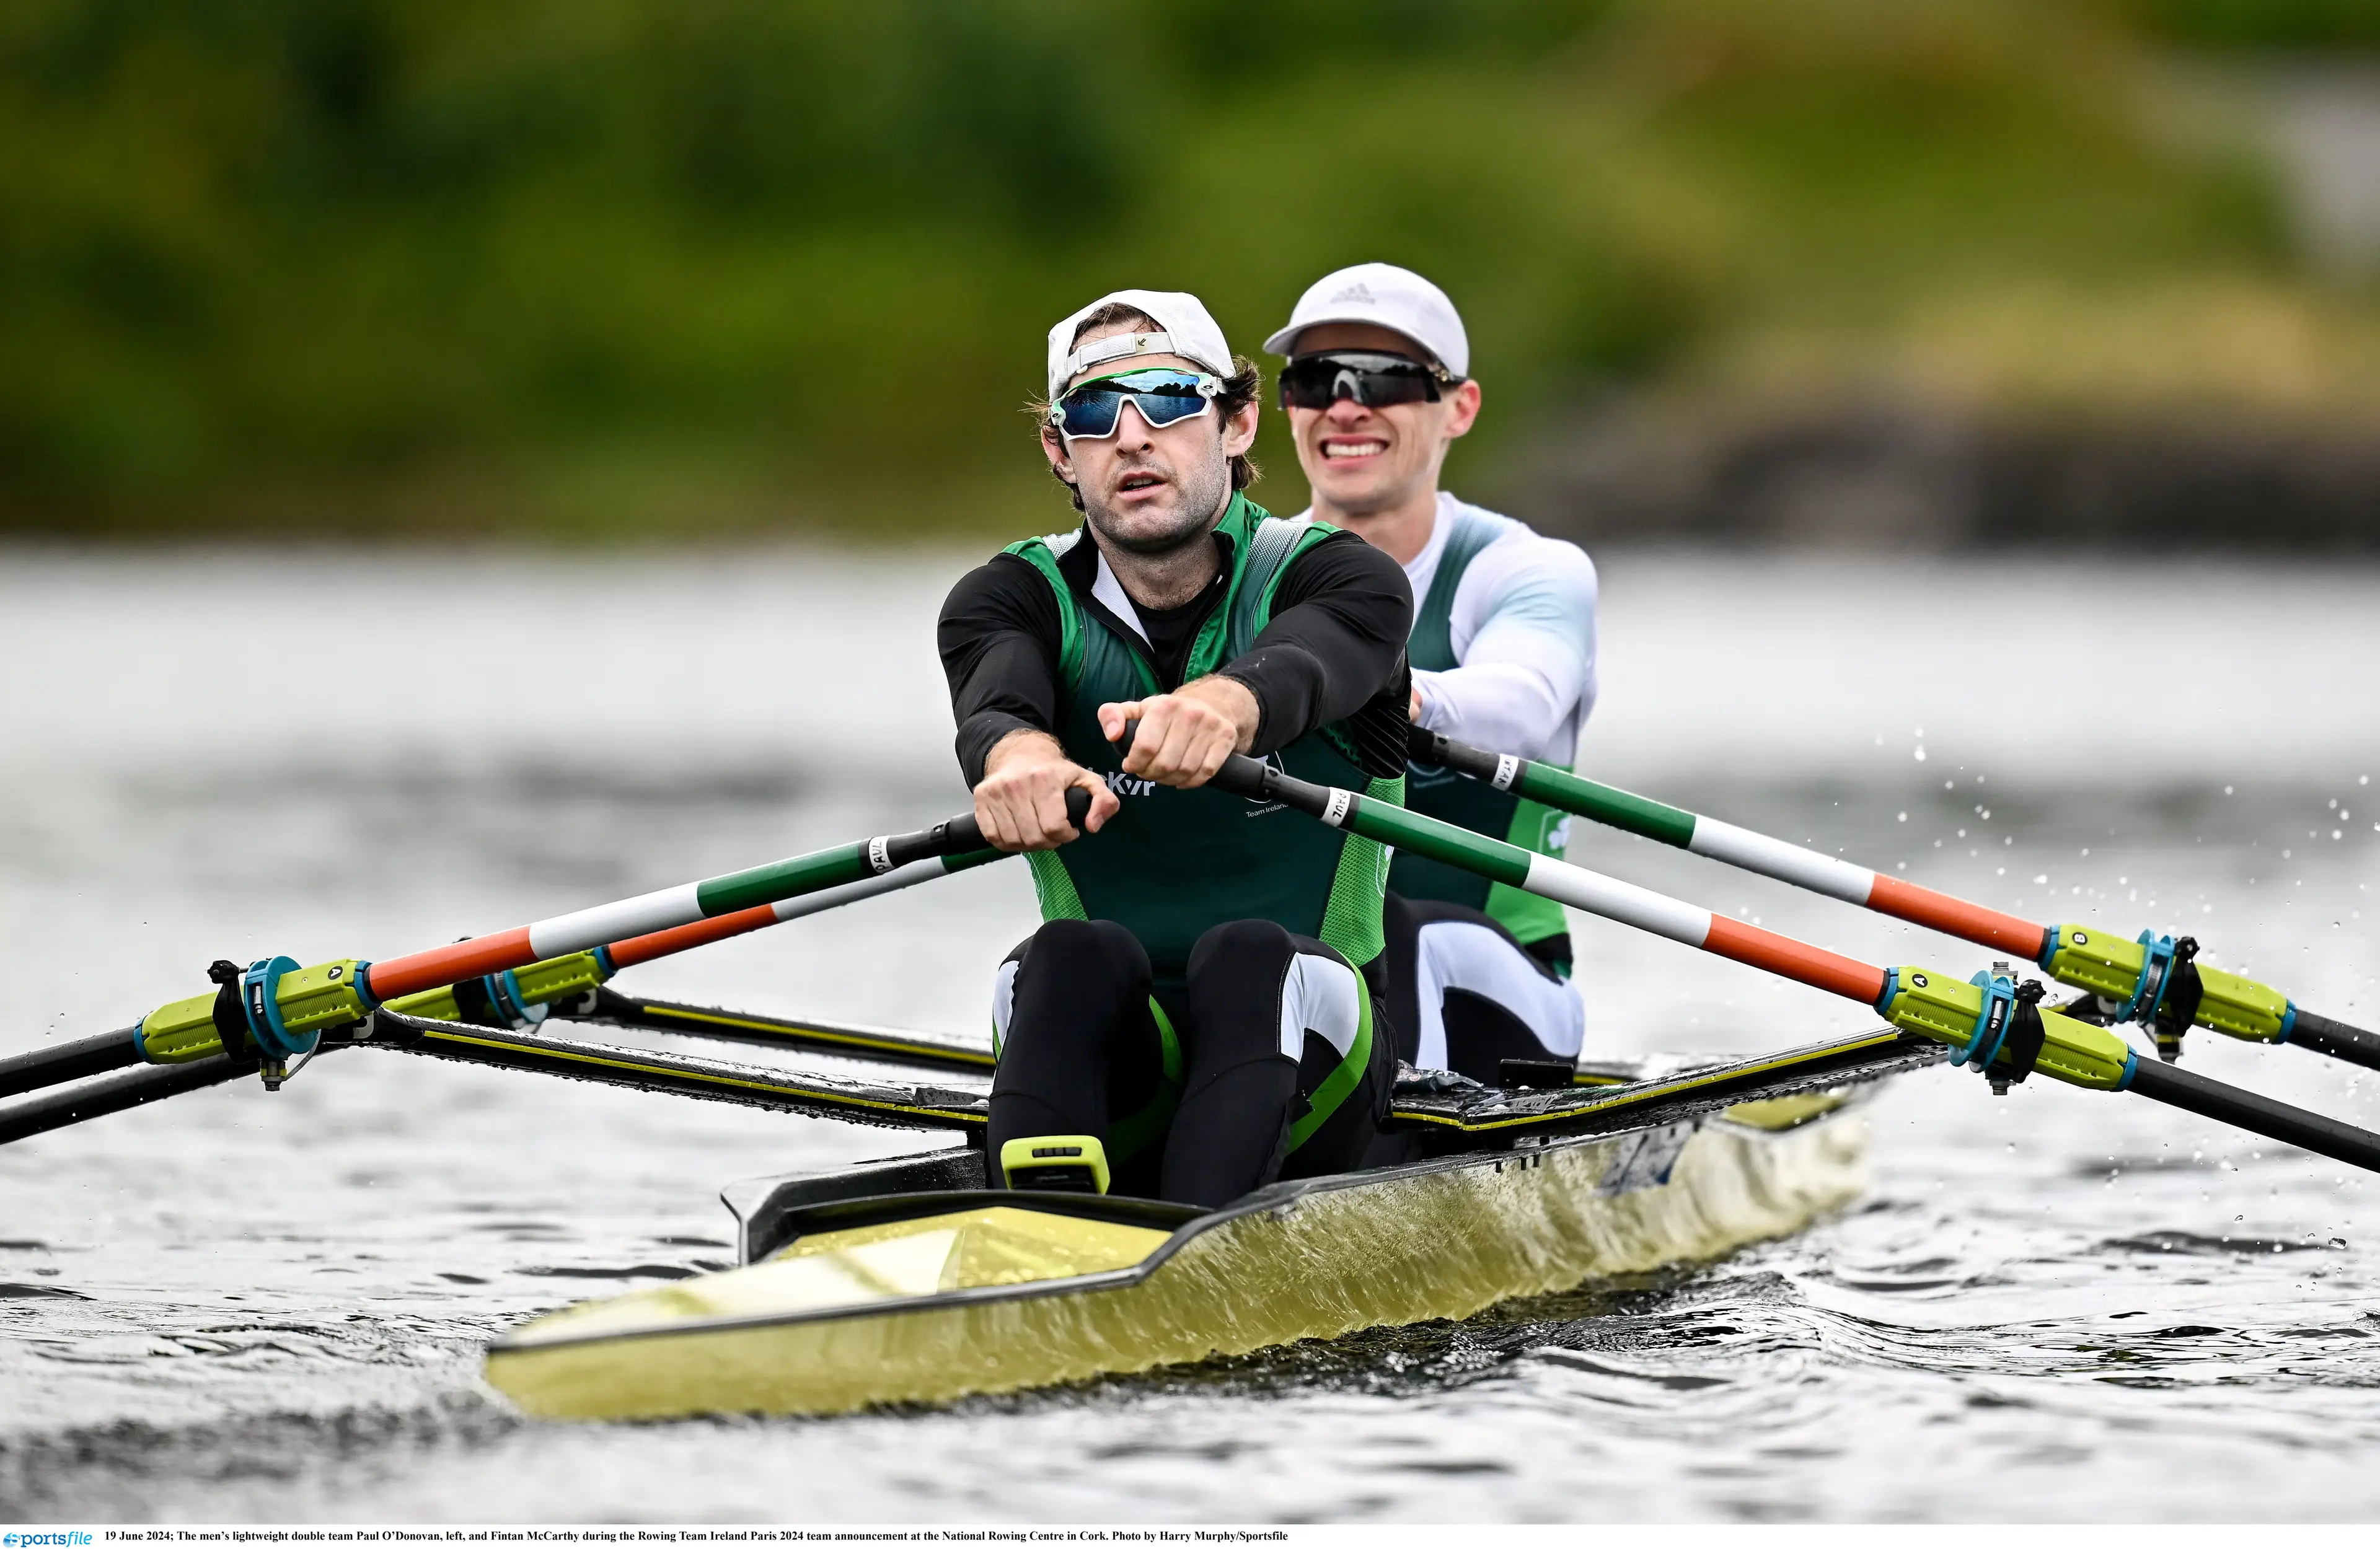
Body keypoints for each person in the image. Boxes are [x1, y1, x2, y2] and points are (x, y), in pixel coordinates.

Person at [938, 288, 1414, 1208]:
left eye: (1165, 399)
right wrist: (1017, 763)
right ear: (1060, 454)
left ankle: (1182, 1252)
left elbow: (1309, 662)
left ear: (1235, 426)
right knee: (1065, 955)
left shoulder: (1344, 577)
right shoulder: (1007, 597)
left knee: (1253, 955)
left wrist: (1224, 709)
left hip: (1323, 1061)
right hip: (1121, 1060)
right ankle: (1040, 1243)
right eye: (1092, 413)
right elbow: (998, 701)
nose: (1130, 436)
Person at [1266, 263, 1598, 1084]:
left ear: (1460, 408)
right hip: (1300, 978)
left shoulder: (1523, 569)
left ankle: (1386, 1161)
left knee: (1398, 930)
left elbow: (1523, 705)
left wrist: (1390, 693)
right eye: (1316, 380)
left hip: (1500, 986)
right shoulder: (1243, 569)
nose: (1346, 404)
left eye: (1386, 379)